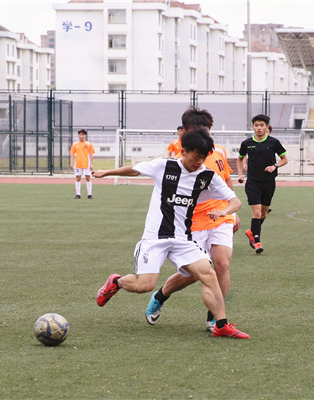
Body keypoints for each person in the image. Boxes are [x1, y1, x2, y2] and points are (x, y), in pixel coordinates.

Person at [93, 128, 249, 339]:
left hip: (182, 239)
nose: (199, 162)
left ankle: (221, 324)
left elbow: (235, 201)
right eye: (196, 157)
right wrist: (107, 173)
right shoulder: (164, 166)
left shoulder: (207, 176)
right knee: (144, 285)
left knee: (209, 274)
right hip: (155, 238)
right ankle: (116, 282)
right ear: (183, 151)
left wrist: (225, 211)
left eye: (203, 158)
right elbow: (135, 170)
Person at [145, 106, 240, 332]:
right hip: (191, 220)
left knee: (222, 263)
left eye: (207, 130)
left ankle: (215, 318)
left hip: (220, 215)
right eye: (199, 130)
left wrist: (232, 211)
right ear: (186, 132)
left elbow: (226, 180)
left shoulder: (219, 152)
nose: (205, 134)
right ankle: (161, 295)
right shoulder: (180, 161)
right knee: (194, 273)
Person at [237, 114, 288, 254]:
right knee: (257, 212)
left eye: (262, 125)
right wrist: (240, 174)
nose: (259, 128)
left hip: (269, 183)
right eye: (256, 125)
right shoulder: (246, 143)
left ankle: (251, 231)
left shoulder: (274, 142)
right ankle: (257, 242)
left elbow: (284, 159)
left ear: (266, 127)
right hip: (253, 183)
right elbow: (240, 158)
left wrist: (275, 166)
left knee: (264, 214)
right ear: (253, 127)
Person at [69, 129, 95, 199]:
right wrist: (71, 162)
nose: (81, 136)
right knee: (78, 178)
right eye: (80, 135)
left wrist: (91, 164)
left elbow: (91, 154)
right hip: (78, 164)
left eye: (82, 135)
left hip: (86, 164)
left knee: (88, 178)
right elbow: (72, 154)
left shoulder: (88, 144)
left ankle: (89, 194)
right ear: (78, 135)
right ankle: (78, 194)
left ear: (85, 135)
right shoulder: (75, 144)